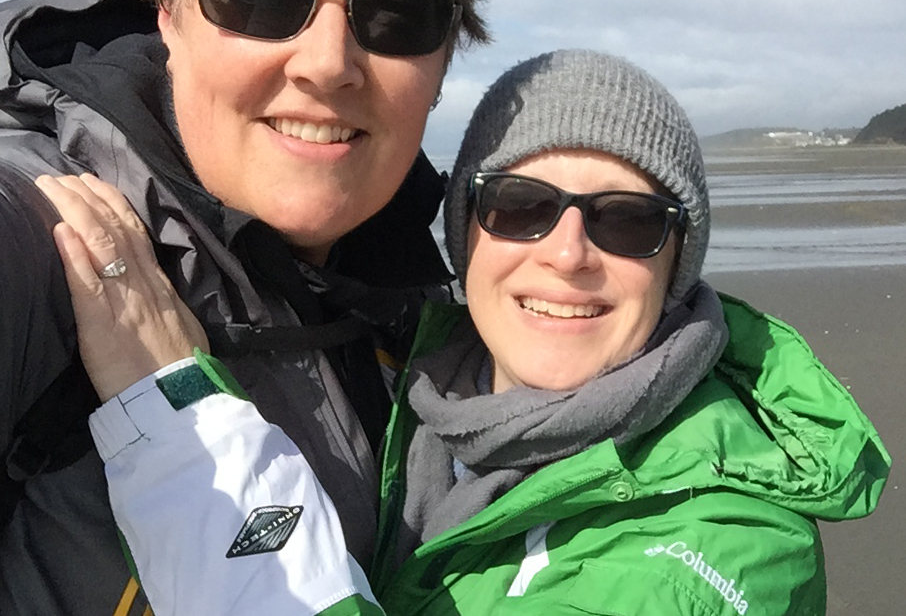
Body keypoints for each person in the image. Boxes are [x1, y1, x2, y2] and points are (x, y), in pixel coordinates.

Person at [40, 50, 889, 615]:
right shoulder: (417, 392)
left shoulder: (724, 544)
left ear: (676, 263)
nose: (567, 254)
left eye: (626, 220)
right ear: (465, 231)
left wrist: (187, 436)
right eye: (521, 205)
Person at [0, 0, 509, 613]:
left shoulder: (426, 301)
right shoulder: (51, 230)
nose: (328, 63)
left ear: (443, 58)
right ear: (167, 9)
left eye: (396, 15)